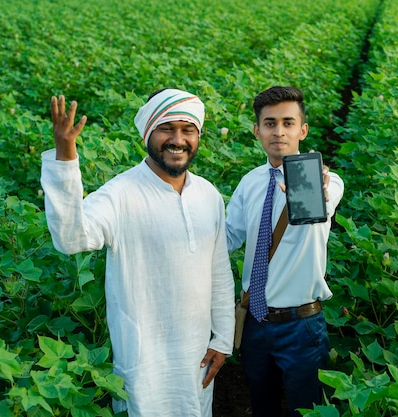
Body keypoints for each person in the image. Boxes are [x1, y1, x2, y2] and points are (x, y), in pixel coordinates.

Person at [40, 88, 235, 416]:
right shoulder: (120, 194)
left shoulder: (208, 195)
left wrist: (222, 339)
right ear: (148, 133)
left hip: (197, 354)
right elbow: (71, 239)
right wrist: (65, 156)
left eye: (188, 130)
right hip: (144, 360)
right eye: (166, 129)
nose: (178, 139)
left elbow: (218, 271)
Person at [225, 86, 344, 417]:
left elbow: (325, 197)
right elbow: (227, 238)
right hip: (255, 323)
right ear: (257, 130)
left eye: (288, 123)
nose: (279, 131)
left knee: (306, 411)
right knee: (261, 407)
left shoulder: (326, 181)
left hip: (301, 326)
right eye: (270, 123)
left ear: (302, 130)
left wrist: (310, 188)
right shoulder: (249, 182)